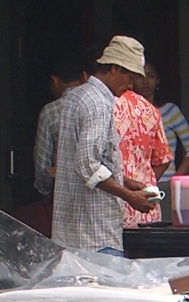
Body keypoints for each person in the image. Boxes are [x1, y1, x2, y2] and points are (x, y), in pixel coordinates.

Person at [51, 35, 156, 251]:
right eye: (129, 77)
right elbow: (88, 164)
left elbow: (79, 158)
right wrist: (129, 196)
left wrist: (123, 180)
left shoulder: (76, 96)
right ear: (114, 69)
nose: (130, 85)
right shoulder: (99, 103)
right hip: (96, 236)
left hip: (70, 234)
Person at [115, 61, 174, 228]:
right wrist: (145, 182)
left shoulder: (104, 105)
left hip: (113, 205)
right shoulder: (150, 109)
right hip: (146, 204)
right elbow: (164, 158)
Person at [33, 54, 87, 196]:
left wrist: (44, 187)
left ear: (54, 80)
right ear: (84, 77)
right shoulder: (102, 105)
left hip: (64, 194)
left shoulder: (49, 112)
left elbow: (42, 167)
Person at [151, 67, 189, 175]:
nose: (145, 81)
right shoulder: (127, 111)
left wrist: (176, 179)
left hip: (166, 184)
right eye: (141, 76)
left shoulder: (170, 111)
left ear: (157, 79)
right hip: (136, 185)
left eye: (151, 76)